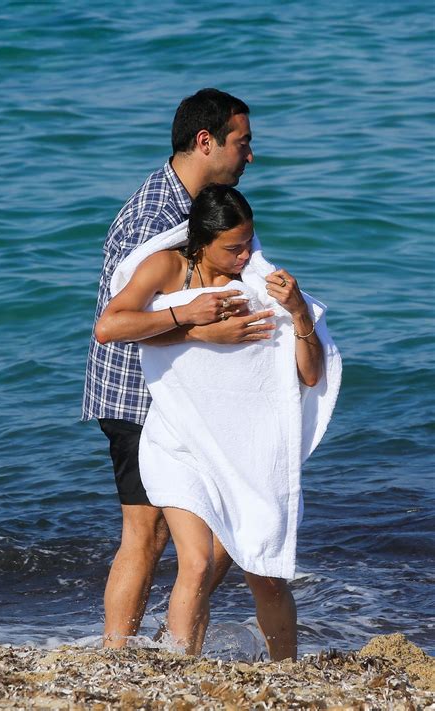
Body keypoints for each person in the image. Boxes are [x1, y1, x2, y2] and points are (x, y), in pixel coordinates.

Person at [95, 184, 339, 661]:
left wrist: (298, 311)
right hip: (178, 440)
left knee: (265, 572)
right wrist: (191, 317)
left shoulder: (262, 286)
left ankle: (286, 671)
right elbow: (111, 327)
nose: (245, 253)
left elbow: (310, 374)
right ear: (200, 242)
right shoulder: (167, 268)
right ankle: (180, 671)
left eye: (249, 241)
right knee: (197, 561)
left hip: (245, 449)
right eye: (232, 247)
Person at [82, 89, 276, 648]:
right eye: (242, 142)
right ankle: (119, 654)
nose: (249, 156)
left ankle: (172, 637)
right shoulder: (154, 217)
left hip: (182, 390)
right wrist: (202, 327)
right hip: (135, 391)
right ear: (205, 141)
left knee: (206, 540)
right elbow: (117, 320)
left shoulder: (202, 204)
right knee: (146, 533)